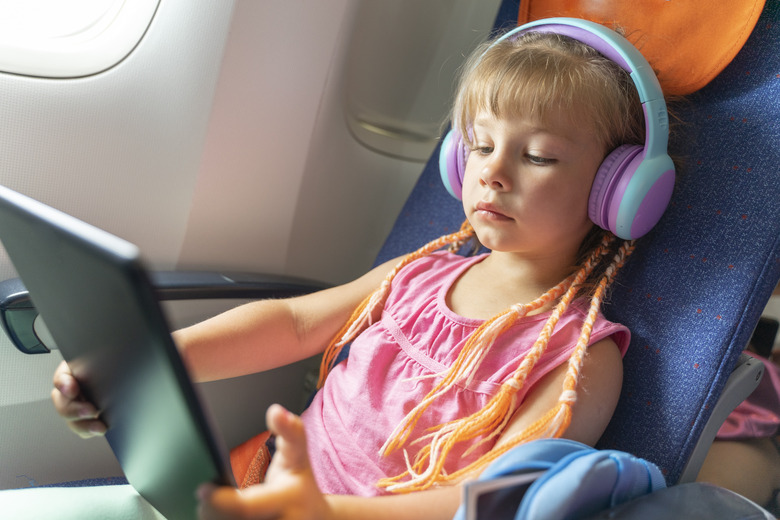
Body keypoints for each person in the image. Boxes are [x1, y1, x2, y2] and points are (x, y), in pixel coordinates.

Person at [51, 20, 661, 520]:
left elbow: (492, 500)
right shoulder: (422, 273)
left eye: (538, 156)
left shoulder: (578, 356)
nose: (493, 172)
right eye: (479, 144)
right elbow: (292, 324)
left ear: (616, 191)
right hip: (259, 490)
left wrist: (322, 511)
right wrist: (151, 363)